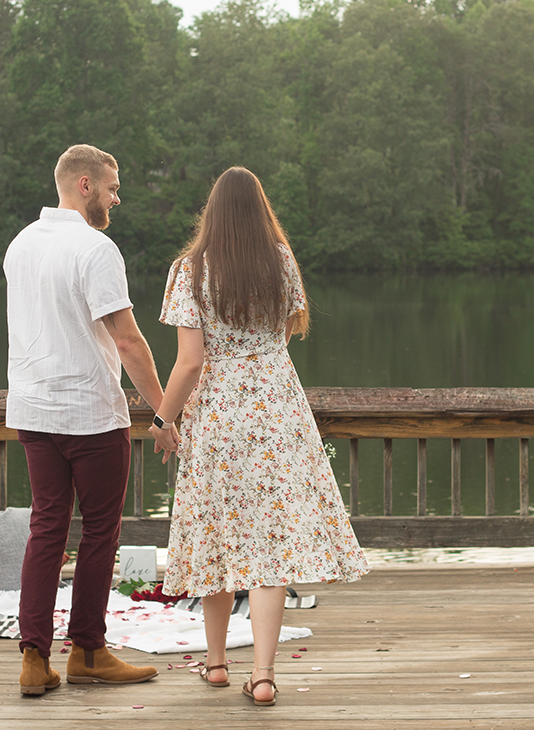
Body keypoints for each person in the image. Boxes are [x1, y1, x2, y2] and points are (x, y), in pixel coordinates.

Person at [148, 166, 369, 707]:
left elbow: (189, 362)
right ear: (260, 209)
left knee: (216, 533)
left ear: (212, 212)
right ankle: (265, 676)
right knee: (270, 542)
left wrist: (163, 421)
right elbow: (291, 327)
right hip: (275, 405)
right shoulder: (280, 261)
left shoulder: (189, 270)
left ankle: (218, 664)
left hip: (219, 414)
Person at [4, 144, 163, 696]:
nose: (118, 199)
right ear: (86, 185)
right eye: (113, 188)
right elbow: (127, 339)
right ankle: (89, 653)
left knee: (46, 527)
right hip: (90, 414)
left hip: (33, 410)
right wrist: (164, 411)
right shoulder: (95, 248)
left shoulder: (21, 244)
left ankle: (33, 660)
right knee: (99, 533)